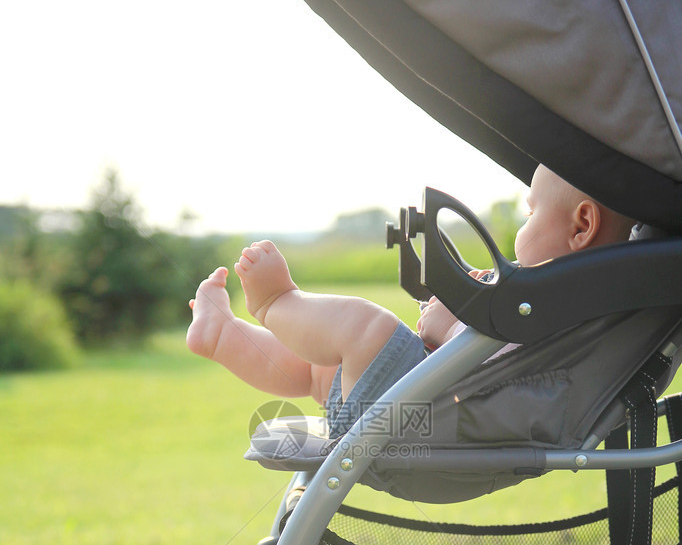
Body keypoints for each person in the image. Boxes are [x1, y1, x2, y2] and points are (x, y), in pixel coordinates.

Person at [187, 165, 634, 437]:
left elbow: (496, 359)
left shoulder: (563, 307)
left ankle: (274, 302)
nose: (523, 226)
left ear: (582, 226)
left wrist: (451, 321)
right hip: (418, 414)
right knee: (316, 367)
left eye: (531, 212)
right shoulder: (596, 310)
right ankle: (226, 336)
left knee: (368, 328)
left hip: (421, 425)